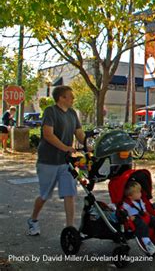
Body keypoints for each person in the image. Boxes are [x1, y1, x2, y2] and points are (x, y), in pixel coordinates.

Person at [27, 86, 85, 236]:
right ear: (61, 98)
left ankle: (70, 230)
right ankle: (33, 219)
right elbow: (48, 135)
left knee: (69, 194)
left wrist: (88, 145)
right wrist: (66, 147)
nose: (73, 99)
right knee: (44, 195)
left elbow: (79, 133)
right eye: (70, 96)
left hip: (66, 162)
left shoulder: (72, 113)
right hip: (48, 160)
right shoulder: (50, 112)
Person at [123, 181, 155, 255]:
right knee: (143, 226)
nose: (140, 193)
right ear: (130, 196)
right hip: (135, 218)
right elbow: (121, 209)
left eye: (140, 191)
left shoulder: (140, 200)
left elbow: (145, 207)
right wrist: (128, 216)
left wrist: (151, 207)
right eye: (138, 192)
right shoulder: (126, 204)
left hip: (145, 216)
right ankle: (147, 244)